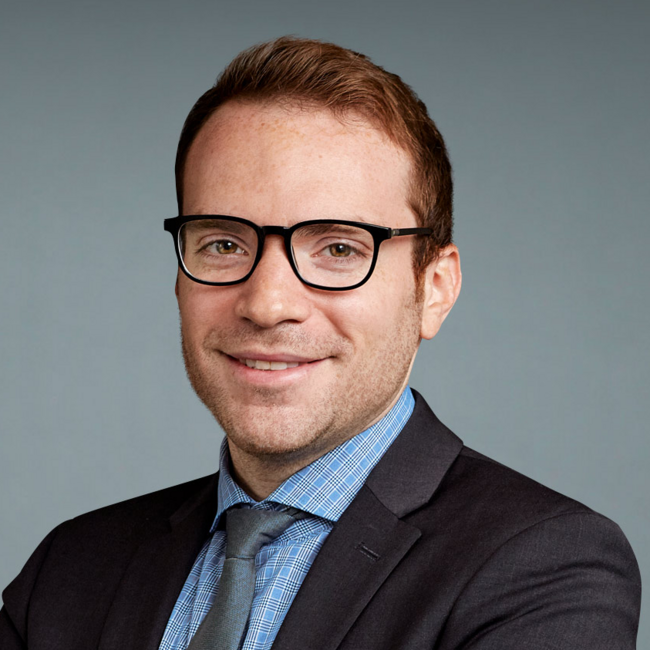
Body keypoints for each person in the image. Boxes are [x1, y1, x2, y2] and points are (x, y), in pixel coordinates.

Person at [0, 36, 641, 650]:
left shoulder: (545, 570)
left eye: (338, 249)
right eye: (223, 243)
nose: (267, 304)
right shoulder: (70, 569)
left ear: (434, 289)